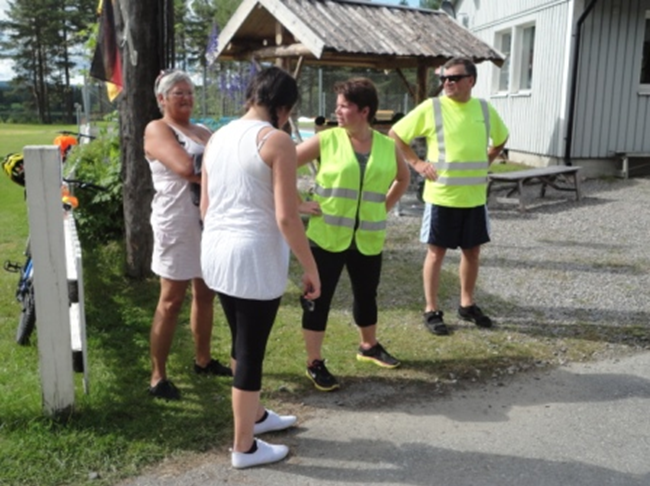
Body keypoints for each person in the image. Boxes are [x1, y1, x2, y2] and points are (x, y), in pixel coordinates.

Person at [200, 66, 321, 469]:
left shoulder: (216, 137)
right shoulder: (276, 140)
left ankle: (255, 416)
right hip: (252, 256)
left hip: (216, 250)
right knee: (251, 352)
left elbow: (207, 206)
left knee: (241, 341)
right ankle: (244, 447)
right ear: (284, 108)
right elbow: (287, 217)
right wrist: (310, 268)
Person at [297, 77, 410, 392]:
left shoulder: (387, 146)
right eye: (338, 106)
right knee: (318, 299)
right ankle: (314, 362)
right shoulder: (326, 139)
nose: (337, 111)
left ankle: (368, 346)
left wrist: (382, 208)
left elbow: (403, 178)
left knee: (366, 293)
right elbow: (282, 164)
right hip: (327, 236)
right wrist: (297, 202)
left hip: (367, 239)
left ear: (364, 111)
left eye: (344, 106)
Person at [389, 57, 509, 336]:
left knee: (473, 252)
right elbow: (396, 134)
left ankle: (467, 304)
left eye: (454, 78)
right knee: (436, 253)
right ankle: (431, 309)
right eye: (443, 78)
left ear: (471, 80)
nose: (447, 82)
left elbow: (501, 138)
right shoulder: (432, 107)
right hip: (442, 196)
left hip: (474, 198)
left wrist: (487, 160)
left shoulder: (484, 109)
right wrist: (417, 163)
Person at [144, 69, 231, 401]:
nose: (186, 98)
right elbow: (186, 168)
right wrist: (226, 167)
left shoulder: (203, 130)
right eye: (178, 92)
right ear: (162, 99)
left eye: (190, 92)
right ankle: (158, 376)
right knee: (171, 300)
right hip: (177, 222)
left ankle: (203, 360)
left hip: (208, 220)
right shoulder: (157, 129)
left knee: (206, 293)